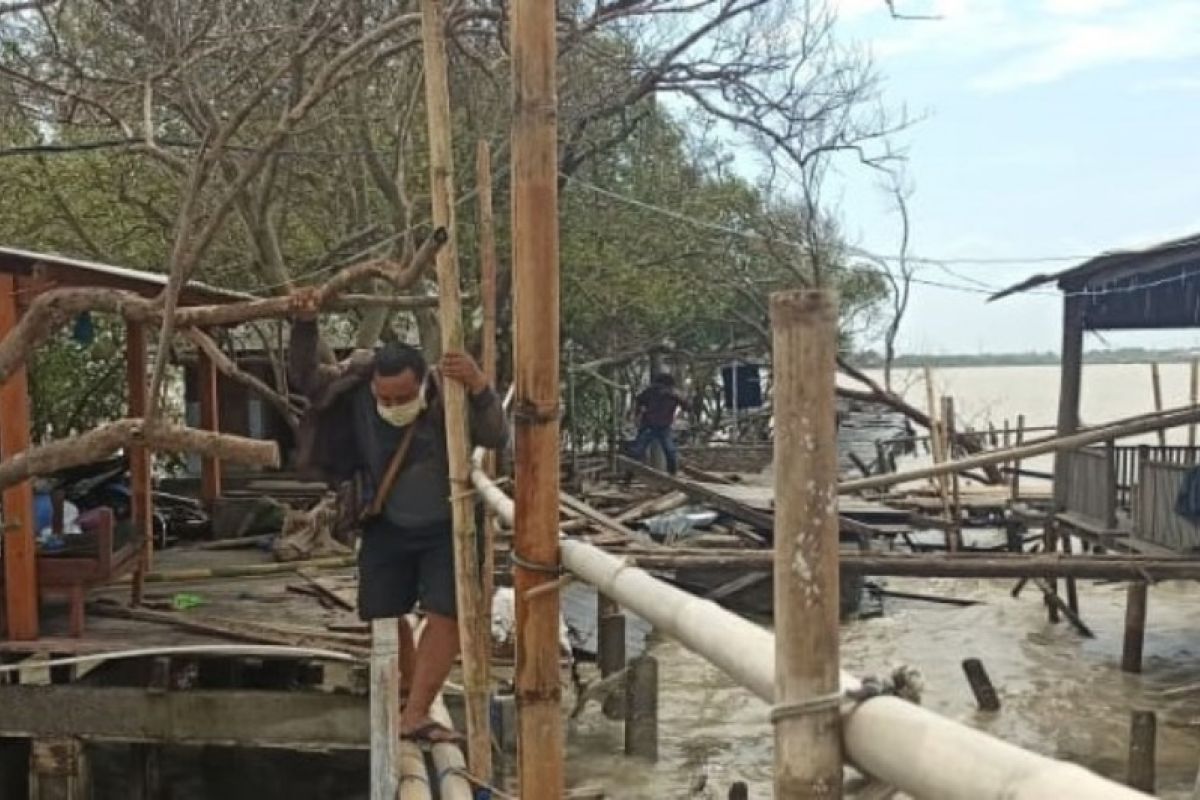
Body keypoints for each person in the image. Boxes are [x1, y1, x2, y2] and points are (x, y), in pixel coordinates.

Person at [287, 287, 507, 744]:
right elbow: (308, 378)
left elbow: (496, 435)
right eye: (383, 398)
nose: (392, 405)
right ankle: (409, 692)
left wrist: (480, 386)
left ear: (421, 383)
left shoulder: (447, 392)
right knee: (384, 613)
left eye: (402, 397)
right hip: (384, 519)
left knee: (445, 614)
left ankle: (417, 711)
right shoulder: (355, 389)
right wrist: (305, 325)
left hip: (448, 525)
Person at [628, 372, 690, 475]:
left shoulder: (673, 394)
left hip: (662, 427)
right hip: (649, 425)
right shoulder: (651, 392)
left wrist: (681, 398)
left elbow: (687, 407)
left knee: (670, 451)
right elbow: (639, 401)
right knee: (637, 451)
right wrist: (636, 415)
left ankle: (672, 476)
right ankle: (628, 477)